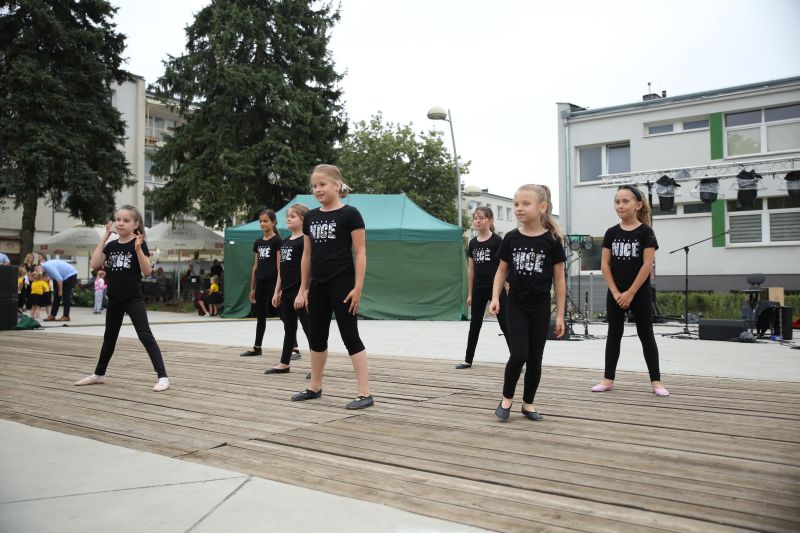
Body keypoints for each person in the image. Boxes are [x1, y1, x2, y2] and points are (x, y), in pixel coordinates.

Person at [292, 164, 373, 410]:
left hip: (343, 285)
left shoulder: (350, 214)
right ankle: (314, 386)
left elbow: (360, 253)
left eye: (322, 184)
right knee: (317, 337)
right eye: (314, 186)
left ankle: (365, 393)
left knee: (350, 336)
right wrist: (303, 288)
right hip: (317, 286)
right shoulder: (311, 217)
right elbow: (307, 256)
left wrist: (358, 287)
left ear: (337, 185)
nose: (317, 189)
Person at [75, 205, 169, 392]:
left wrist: (138, 249)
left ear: (136, 224)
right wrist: (104, 237)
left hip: (132, 298)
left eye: (126, 220)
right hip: (114, 299)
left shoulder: (139, 243)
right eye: (118, 219)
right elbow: (94, 263)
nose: (120, 223)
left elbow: (146, 271)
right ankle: (98, 374)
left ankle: (163, 377)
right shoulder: (111, 246)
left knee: (145, 335)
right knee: (109, 338)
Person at [491, 184, 566, 422]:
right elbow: (501, 270)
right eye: (516, 204)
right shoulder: (511, 238)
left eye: (526, 203)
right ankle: (506, 399)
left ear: (542, 207)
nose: (519, 208)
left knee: (535, 357)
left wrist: (560, 315)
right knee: (519, 353)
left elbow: (559, 279)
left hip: (540, 305)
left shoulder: (552, 240)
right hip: (516, 303)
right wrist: (495, 297)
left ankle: (528, 403)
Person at [592, 185, 668, 397]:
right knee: (613, 334)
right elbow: (605, 265)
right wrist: (616, 292)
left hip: (639, 293)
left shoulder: (646, 232)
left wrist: (630, 293)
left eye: (625, 201)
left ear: (638, 205)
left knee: (646, 334)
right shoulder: (611, 233)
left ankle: (656, 381)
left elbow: (647, 265)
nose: (620, 205)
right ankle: (608, 379)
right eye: (617, 201)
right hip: (616, 293)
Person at [457, 207, 510, 369]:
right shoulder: (472, 243)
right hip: (479, 289)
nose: (478, 221)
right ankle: (468, 359)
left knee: (505, 324)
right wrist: (470, 293)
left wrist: (507, 287)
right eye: (475, 218)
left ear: (490, 220)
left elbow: (504, 267)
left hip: (496, 290)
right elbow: (471, 269)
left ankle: (517, 359)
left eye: (482, 218)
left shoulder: (497, 241)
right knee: (475, 325)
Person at [265, 204, 311, 375]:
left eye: (293, 216)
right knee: (289, 328)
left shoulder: (305, 240)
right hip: (286, 291)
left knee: (309, 329)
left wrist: (303, 292)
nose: (288, 219)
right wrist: (277, 291)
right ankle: (284, 363)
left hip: (300, 292)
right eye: (287, 216)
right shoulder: (284, 242)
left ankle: (316, 366)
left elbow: (309, 269)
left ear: (303, 220)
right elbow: (281, 270)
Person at [240, 209, 281, 357]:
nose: (262, 223)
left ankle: (294, 347)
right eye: (261, 221)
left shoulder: (277, 241)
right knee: (260, 316)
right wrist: (252, 288)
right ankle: (257, 347)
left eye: (266, 221)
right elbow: (255, 266)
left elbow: (280, 267)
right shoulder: (258, 242)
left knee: (284, 315)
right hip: (261, 283)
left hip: (273, 282)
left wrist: (278, 289)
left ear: (273, 222)